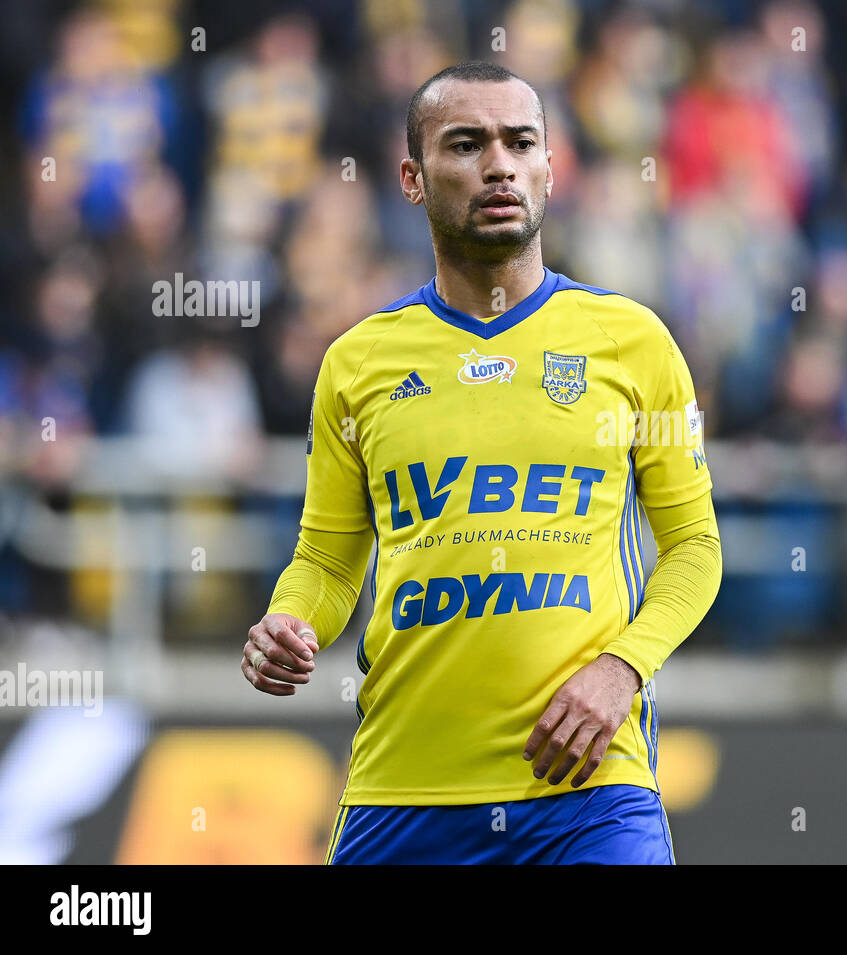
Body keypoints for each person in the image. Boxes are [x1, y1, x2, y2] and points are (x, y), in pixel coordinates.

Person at [241, 61, 722, 865]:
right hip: (404, 793)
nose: (498, 163)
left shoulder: (634, 342)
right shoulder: (358, 363)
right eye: (466, 144)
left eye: (520, 142)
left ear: (548, 168)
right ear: (412, 178)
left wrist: (621, 669)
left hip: (589, 791)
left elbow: (695, 547)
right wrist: (290, 621)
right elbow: (326, 560)